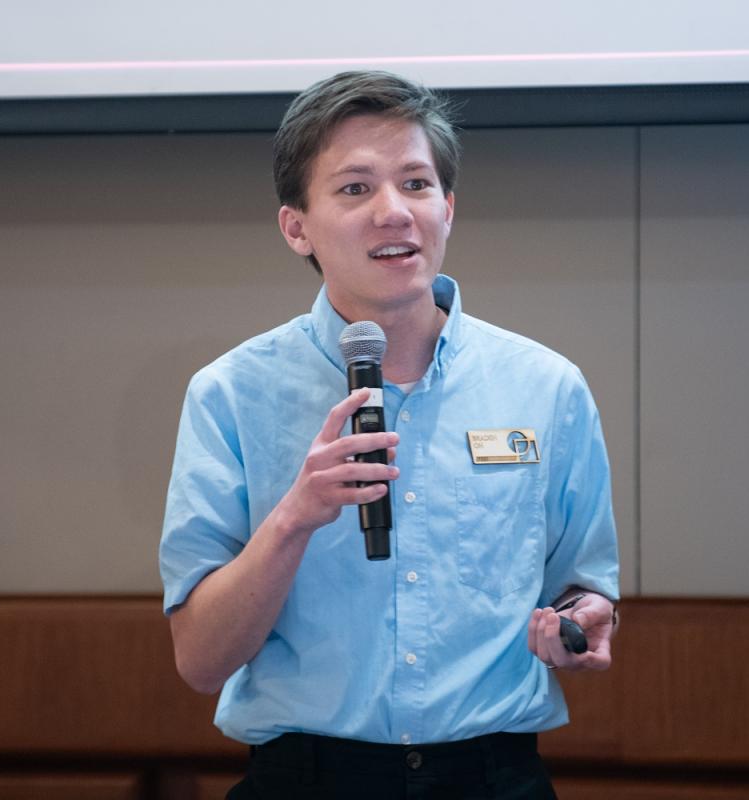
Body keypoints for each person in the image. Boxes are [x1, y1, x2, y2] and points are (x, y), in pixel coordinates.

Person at [159, 70, 619, 799]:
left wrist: (581, 619)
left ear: (448, 209)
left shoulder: (546, 388)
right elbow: (201, 663)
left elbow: (582, 589)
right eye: (354, 189)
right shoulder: (231, 395)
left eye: (415, 184)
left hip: (493, 776)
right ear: (296, 227)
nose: (393, 212)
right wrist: (295, 517)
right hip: (306, 779)